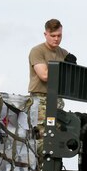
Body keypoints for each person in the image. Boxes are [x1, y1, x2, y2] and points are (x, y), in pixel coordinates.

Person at [28, 19, 75, 157]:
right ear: (45, 34)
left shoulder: (63, 53)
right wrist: (65, 68)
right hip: (41, 99)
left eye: (59, 35)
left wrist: (73, 67)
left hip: (58, 101)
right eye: (53, 35)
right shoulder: (37, 51)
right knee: (43, 140)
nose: (56, 39)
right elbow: (44, 75)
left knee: (57, 139)